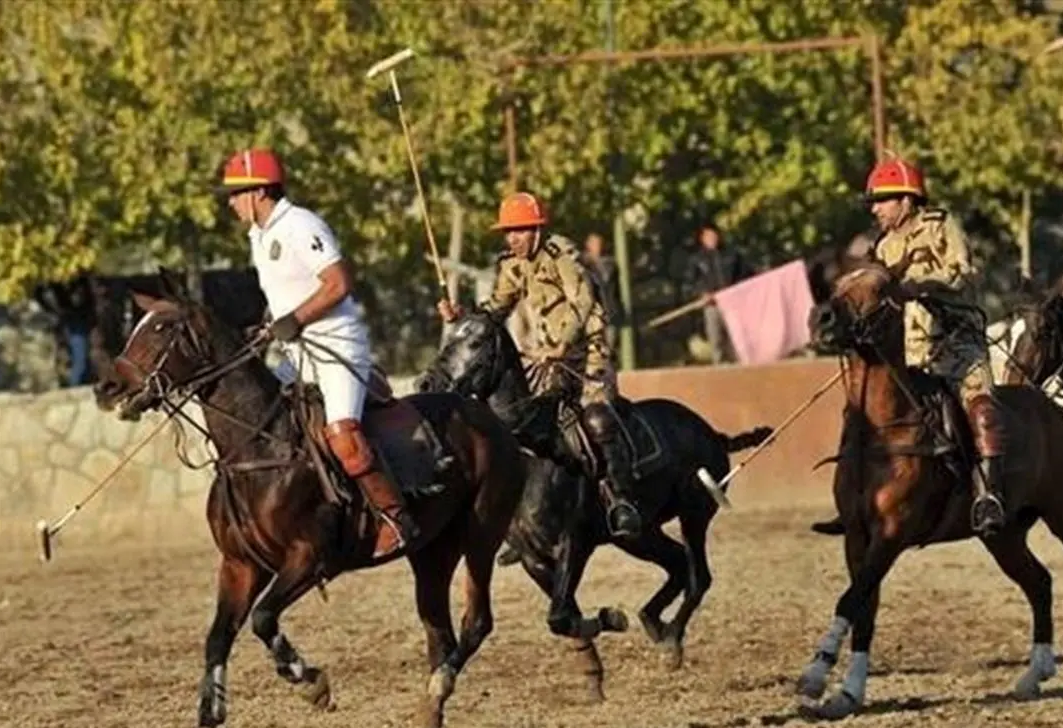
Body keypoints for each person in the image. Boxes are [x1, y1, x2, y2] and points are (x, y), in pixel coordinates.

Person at [221, 147, 418, 558]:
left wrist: (295, 318)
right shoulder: (259, 235)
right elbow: (284, 293)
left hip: (335, 346)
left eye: (236, 193)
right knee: (263, 421)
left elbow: (338, 282)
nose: (231, 202)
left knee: (343, 436)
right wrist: (269, 325)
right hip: (298, 352)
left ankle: (396, 518)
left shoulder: (300, 224)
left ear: (259, 192)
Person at [811, 157, 1006, 537]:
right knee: (859, 409)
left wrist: (921, 283)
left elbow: (964, 273)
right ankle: (853, 498)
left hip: (956, 343)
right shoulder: (882, 246)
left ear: (907, 199)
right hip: (907, 352)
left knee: (980, 407)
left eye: (882, 201)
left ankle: (989, 495)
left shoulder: (940, 226)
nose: (875, 209)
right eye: (874, 203)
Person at [437, 191, 643, 538]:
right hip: (546, 357)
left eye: (518, 231)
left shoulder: (562, 255)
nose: (511, 238)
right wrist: (461, 315)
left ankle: (622, 503)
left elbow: (582, 301)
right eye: (508, 232)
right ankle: (529, 515)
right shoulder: (511, 264)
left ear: (536, 229)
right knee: (520, 420)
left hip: (586, 352)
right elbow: (495, 311)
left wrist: (563, 344)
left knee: (597, 418)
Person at [685, 222, 750, 364]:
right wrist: (701, 294)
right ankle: (719, 369)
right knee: (716, 339)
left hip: (733, 303)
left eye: (714, 235)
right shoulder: (697, 259)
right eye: (708, 236)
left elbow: (745, 275)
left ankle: (741, 367)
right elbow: (690, 284)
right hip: (712, 305)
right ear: (702, 238)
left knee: (737, 337)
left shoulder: (732, 255)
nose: (712, 238)